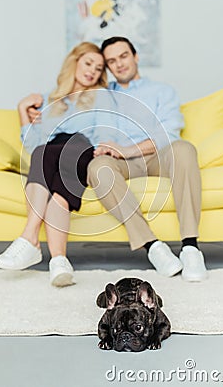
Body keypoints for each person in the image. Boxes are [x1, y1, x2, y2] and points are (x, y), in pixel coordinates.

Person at [0, 42, 116, 287]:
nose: (92, 70)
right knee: (43, 152)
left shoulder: (102, 96)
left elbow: (105, 132)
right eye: (88, 63)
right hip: (51, 153)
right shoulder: (53, 100)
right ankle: (59, 261)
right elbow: (34, 145)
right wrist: (21, 110)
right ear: (75, 62)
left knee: (69, 146)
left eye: (99, 67)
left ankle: (29, 239)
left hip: (82, 148)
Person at [87, 36, 208, 282]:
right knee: (96, 167)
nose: (119, 64)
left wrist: (126, 149)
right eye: (112, 61)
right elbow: (101, 132)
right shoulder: (102, 96)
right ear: (107, 67)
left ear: (135, 57)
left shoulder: (162, 91)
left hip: (156, 156)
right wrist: (104, 148)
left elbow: (167, 134)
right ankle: (153, 246)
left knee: (184, 148)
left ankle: (191, 247)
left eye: (123, 56)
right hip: (119, 162)